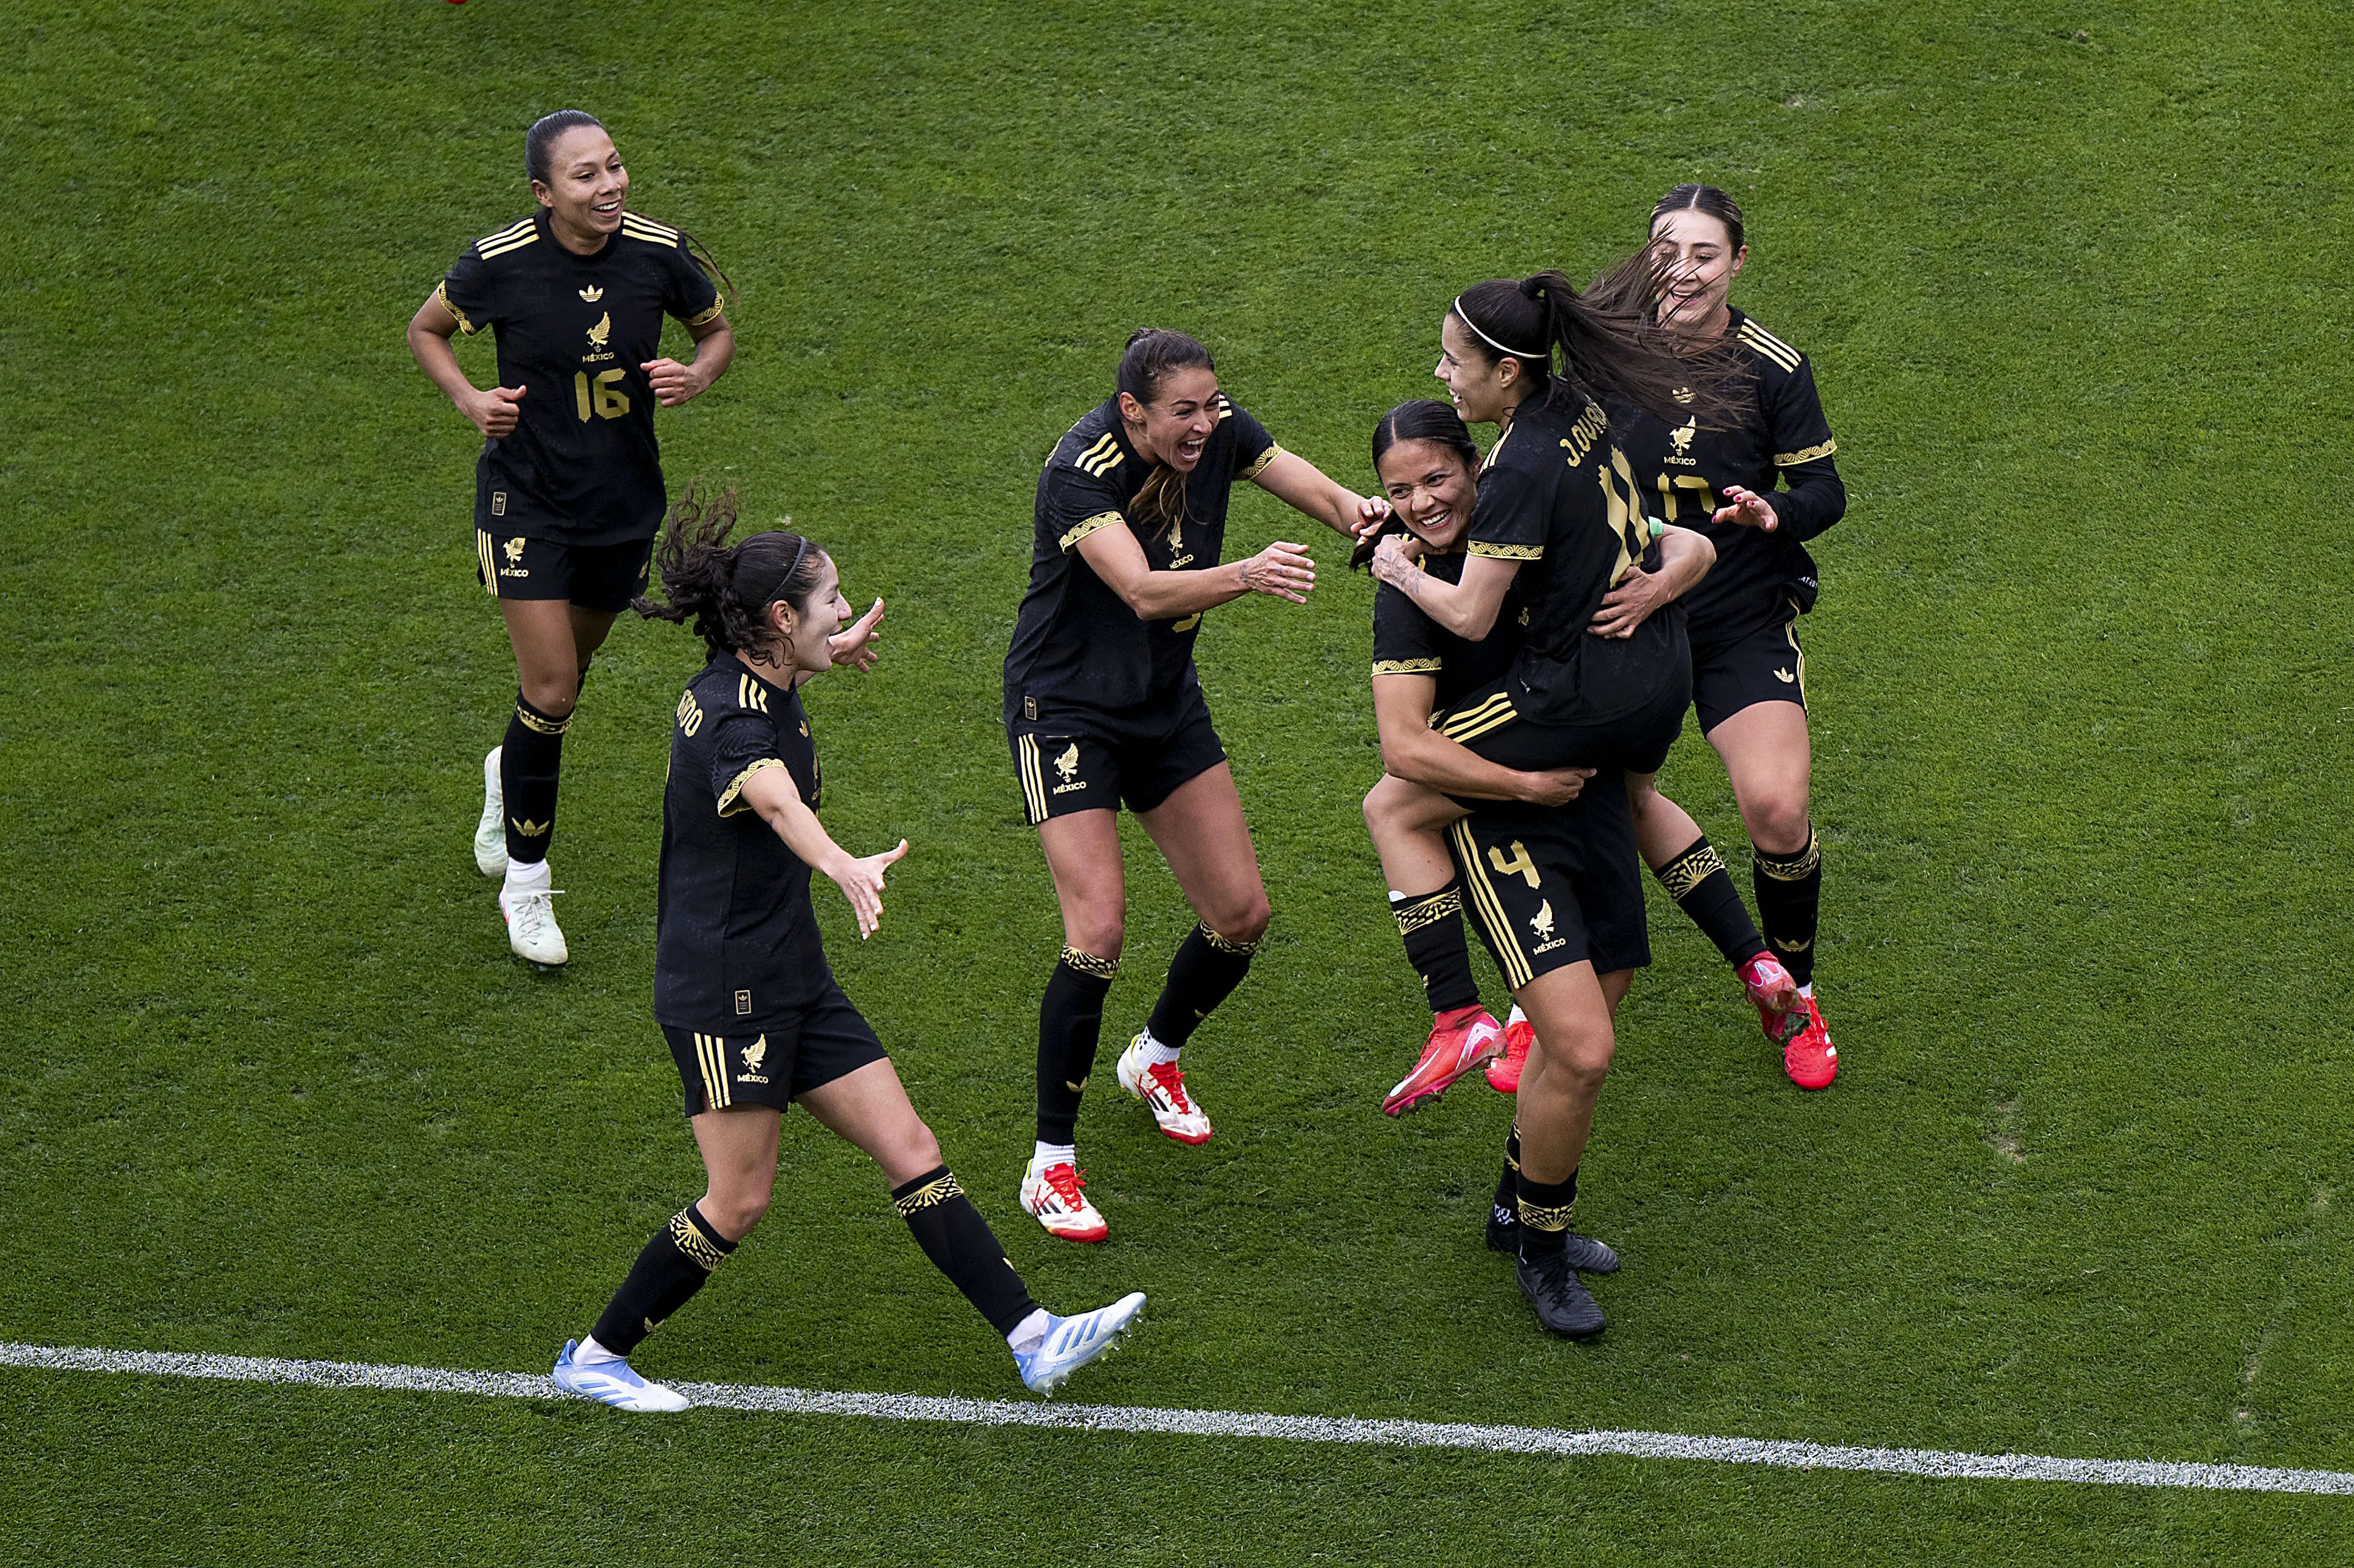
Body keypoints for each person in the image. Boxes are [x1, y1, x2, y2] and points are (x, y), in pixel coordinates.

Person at [549, 487, 1145, 1412]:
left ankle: (1033, 1338)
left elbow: (780, 720)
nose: (843, 609)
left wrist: (826, 658)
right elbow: (773, 796)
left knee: (910, 1145)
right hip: (722, 992)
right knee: (738, 1199)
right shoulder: (733, 716)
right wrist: (839, 865)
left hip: (791, 972)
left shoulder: (770, 677)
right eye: (829, 601)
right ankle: (595, 1355)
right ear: (779, 618)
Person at [1362, 272, 1796, 1338]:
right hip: (1544, 775)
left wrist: (1396, 557)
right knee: (1401, 803)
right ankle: (1474, 1066)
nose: (1440, 370)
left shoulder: (1513, 474)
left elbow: (1475, 610)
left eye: (1452, 360)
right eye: (1400, 489)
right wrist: (1390, 565)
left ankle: (1518, 1206)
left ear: (1501, 384)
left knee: (1597, 1014)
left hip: (1583, 746)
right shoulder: (1582, 411)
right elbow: (1403, 742)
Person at [1004, 328, 1382, 1244]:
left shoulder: (1220, 431)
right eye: (1184, 411)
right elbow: (1137, 590)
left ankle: (1155, 1056)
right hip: (1066, 714)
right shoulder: (1079, 470)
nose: (1206, 425)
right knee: (1096, 932)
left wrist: (1381, 517)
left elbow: (1323, 494)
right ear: (1132, 410)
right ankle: (1049, 1165)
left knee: (1240, 914)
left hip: (1162, 705)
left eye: (1214, 404)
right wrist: (1247, 575)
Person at [1356, 402, 1791, 1126]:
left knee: (1389, 806)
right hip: (1628, 697)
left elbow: (1687, 546)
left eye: (1436, 479)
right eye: (1400, 492)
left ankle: (1458, 1013)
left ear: (1475, 467)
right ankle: (1754, 958)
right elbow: (1684, 542)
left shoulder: (1509, 515)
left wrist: (1657, 583)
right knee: (1635, 799)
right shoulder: (1537, 503)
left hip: (1564, 712)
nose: (1420, 503)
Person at [407, 109, 735, 968]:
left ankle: (504, 767)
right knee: (551, 688)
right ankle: (526, 880)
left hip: (621, 507)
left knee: (562, 683)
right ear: (543, 193)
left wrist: (696, 374)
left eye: (615, 167)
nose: (610, 185)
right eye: (586, 175)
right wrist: (468, 400)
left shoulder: (659, 252)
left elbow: (715, 331)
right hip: (527, 503)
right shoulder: (498, 263)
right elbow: (426, 330)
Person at [1601, 184, 1848, 1089]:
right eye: (1669, 250)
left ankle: (1796, 990)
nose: (1686, 270)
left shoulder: (1772, 366)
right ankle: (1530, 1005)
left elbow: (1826, 492)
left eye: (1706, 254)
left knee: (1777, 812)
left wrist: (1770, 511)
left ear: (1737, 262)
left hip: (1739, 615)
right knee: (1590, 797)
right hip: (1629, 612)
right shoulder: (1604, 348)